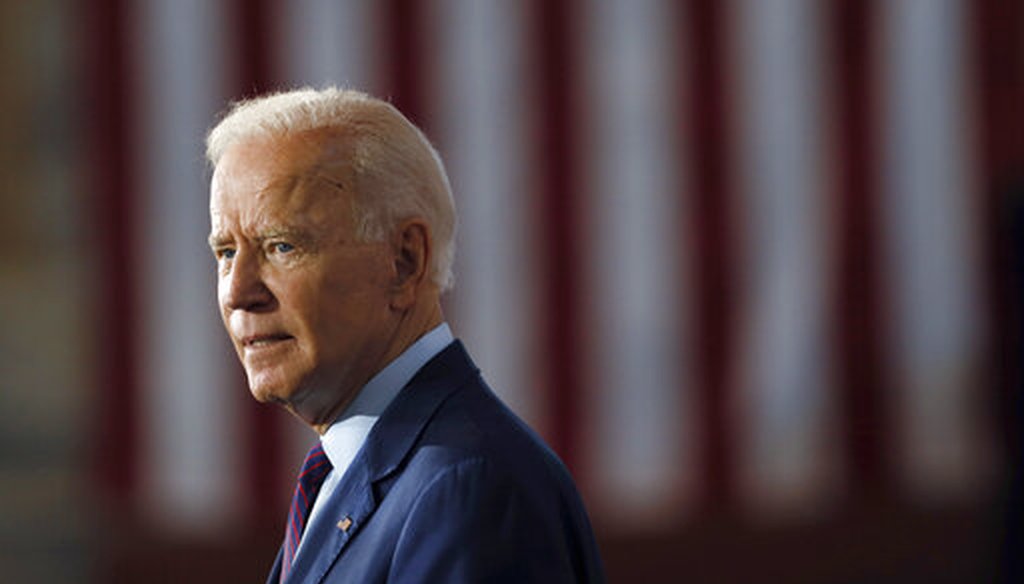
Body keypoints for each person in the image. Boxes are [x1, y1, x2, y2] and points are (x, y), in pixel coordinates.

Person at [205, 87, 604, 583]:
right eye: (225, 252)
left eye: (282, 245)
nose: (239, 291)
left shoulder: (466, 488)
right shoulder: (352, 479)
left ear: (403, 262)